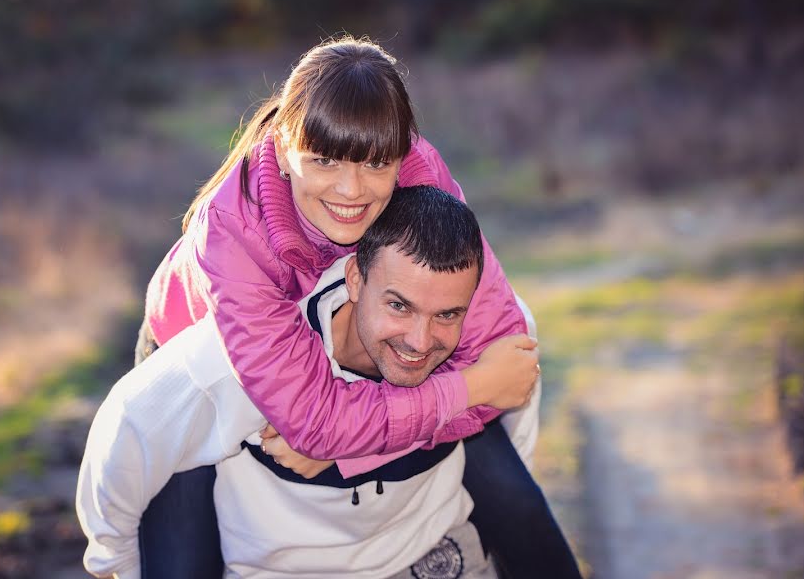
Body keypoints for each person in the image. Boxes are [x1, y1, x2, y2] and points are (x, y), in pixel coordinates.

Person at [134, 36, 581, 576]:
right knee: (182, 561)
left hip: (355, 336)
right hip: (198, 363)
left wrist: (355, 450)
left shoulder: (421, 173)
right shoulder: (233, 236)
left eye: (374, 164)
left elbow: (500, 345)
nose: (351, 191)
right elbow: (315, 423)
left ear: (403, 151)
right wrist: (472, 388)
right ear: (282, 146)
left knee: (516, 502)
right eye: (322, 160)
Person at [78, 187, 566, 578]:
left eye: (447, 314)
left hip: (425, 557)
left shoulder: (489, 345)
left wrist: (349, 447)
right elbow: (129, 427)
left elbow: (513, 467)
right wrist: (111, 559)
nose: (421, 340)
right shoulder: (252, 357)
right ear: (355, 279)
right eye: (398, 305)